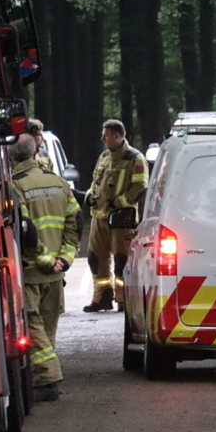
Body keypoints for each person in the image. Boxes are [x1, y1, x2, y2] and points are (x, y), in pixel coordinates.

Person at [8, 134, 80, 402]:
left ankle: (47, 381)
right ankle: (43, 379)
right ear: (36, 151)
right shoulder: (59, 182)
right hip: (56, 275)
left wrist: (47, 260)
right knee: (47, 333)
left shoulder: (16, 186)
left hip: (32, 273)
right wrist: (65, 258)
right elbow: (75, 223)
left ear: (10, 156)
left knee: (34, 329)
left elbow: (26, 232)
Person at [83, 119, 148, 313]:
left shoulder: (134, 158)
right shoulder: (103, 156)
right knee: (95, 258)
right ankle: (102, 297)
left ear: (118, 136)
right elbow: (95, 182)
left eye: (107, 135)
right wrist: (90, 196)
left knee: (122, 260)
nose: (103, 138)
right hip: (99, 217)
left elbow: (140, 187)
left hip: (122, 219)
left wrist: (118, 203)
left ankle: (123, 298)